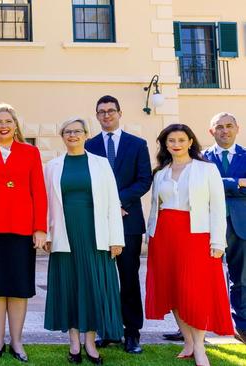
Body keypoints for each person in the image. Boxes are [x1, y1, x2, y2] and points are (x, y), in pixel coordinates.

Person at [146, 124, 233, 366]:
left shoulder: (207, 169)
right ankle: (188, 342)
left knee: (194, 291)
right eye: (171, 140)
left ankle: (201, 347)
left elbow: (217, 207)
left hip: (196, 236)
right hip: (164, 236)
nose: (176, 144)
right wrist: (149, 235)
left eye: (181, 139)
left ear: (190, 142)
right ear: (165, 144)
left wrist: (218, 241)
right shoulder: (160, 172)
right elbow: (156, 207)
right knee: (173, 289)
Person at [44, 117, 124, 365]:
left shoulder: (101, 164)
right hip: (64, 234)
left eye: (77, 131)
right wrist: (47, 234)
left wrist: (116, 239)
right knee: (69, 286)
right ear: (62, 136)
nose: (73, 135)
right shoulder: (52, 166)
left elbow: (113, 201)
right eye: (67, 131)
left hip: (95, 235)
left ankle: (90, 342)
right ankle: (74, 343)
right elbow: (47, 203)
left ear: (87, 135)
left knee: (93, 287)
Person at [0, 103, 47, 363]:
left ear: (15, 125)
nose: (3, 125)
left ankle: (17, 341)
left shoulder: (30, 152)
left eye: (8, 121)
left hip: (21, 230)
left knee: (18, 288)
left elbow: (39, 191)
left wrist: (40, 228)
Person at [85, 95, 151, 354]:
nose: (106, 116)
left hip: (128, 220)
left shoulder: (137, 144)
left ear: (120, 113)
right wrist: (106, 206)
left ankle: (132, 333)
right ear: (97, 115)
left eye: (111, 111)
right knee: (102, 277)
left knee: (129, 277)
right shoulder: (89, 145)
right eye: (101, 112)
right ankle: (108, 330)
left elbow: (144, 180)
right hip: (97, 222)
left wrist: (117, 201)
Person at [203, 112, 246, 344]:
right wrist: (237, 183)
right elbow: (201, 186)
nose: (224, 131)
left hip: (241, 224)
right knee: (203, 277)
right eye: (219, 127)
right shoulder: (202, 158)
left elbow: (212, 185)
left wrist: (218, 184)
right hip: (207, 225)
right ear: (212, 131)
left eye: (229, 126)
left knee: (240, 277)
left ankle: (241, 325)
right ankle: (196, 324)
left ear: (237, 128)